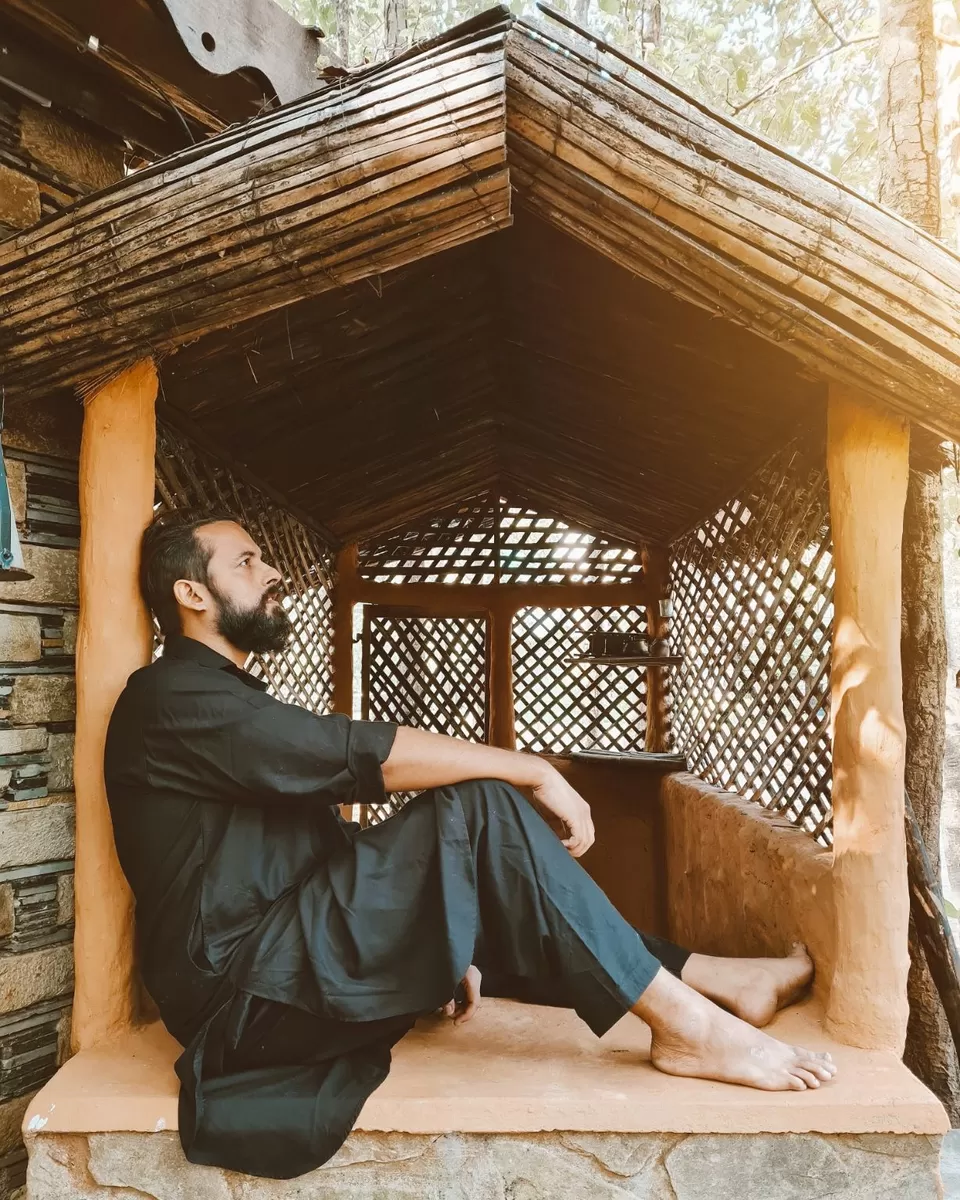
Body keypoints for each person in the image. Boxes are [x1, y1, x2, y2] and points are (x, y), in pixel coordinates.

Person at [104, 509, 836, 1181]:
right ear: (191, 595)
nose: (271, 574)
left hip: (282, 965)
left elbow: (316, 843)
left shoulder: (221, 700)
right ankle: (689, 1027)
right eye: (246, 561)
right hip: (246, 1000)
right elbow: (349, 752)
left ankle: (712, 978)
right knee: (482, 805)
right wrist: (527, 766)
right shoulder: (170, 700)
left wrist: (429, 930)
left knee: (472, 868)